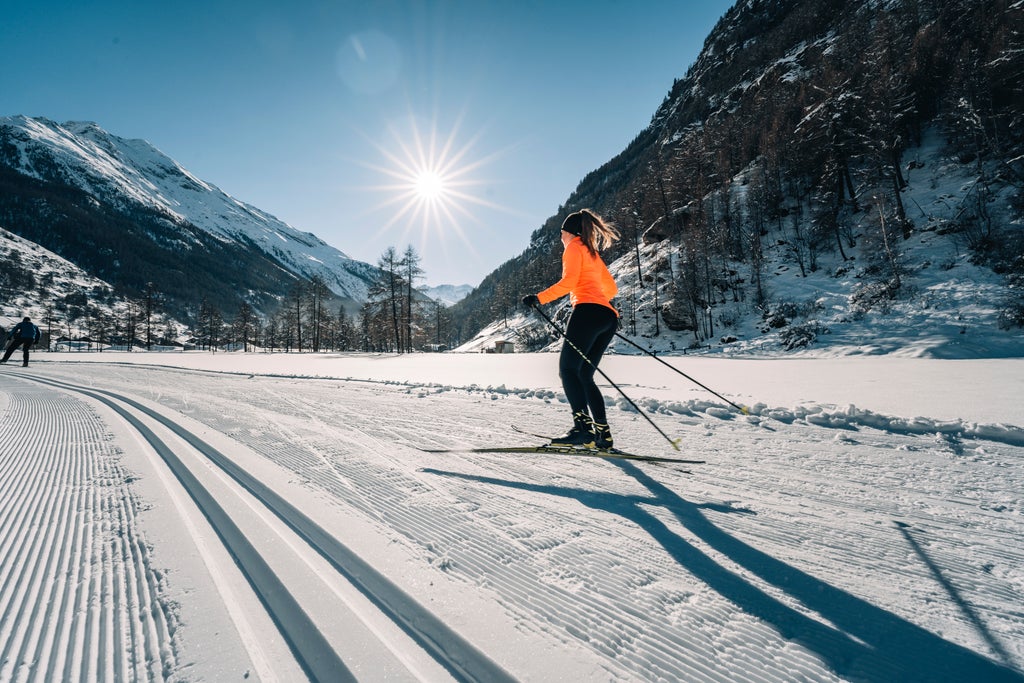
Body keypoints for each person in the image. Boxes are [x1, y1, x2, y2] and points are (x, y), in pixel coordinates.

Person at [522, 209, 620, 449]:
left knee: (568, 370)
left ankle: (582, 430)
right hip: (607, 317)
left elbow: (569, 282)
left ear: (569, 232)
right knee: (584, 375)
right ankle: (603, 436)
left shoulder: (574, 247)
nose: (560, 237)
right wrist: (597, 299)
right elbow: (611, 289)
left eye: (561, 233)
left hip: (587, 312)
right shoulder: (592, 252)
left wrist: (539, 298)